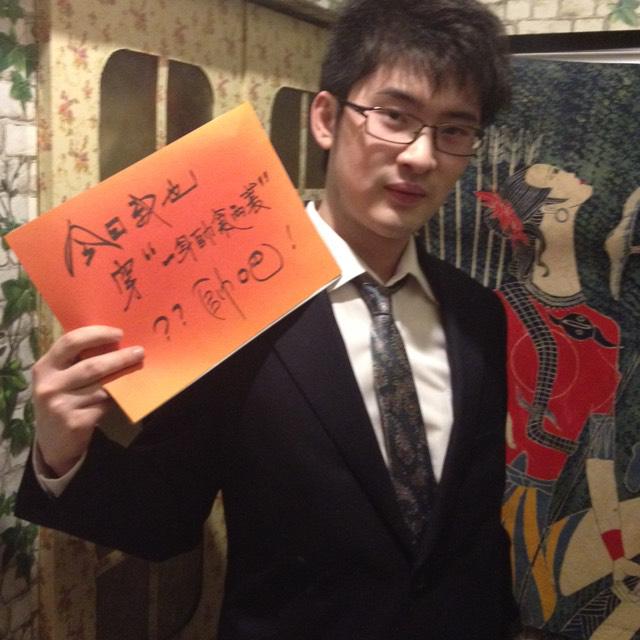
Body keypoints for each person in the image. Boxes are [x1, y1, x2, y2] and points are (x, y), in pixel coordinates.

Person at [16, 1, 517, 638]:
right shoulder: (228, 304)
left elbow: (473, 521)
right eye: (395, 116)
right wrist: (61, 452)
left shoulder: (477, 311)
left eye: (454, 130)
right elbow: (162, 521)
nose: (421, 155)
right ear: (327, 118)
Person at [480, 165, 640, 636]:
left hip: (548, 511)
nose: (567, 169)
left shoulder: (605, 331)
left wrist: (615, 553)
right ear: (551, 212)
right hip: (501, 514)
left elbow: (599, 460)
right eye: (552, 171)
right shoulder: (493, 310)